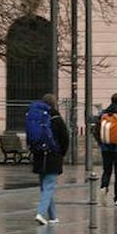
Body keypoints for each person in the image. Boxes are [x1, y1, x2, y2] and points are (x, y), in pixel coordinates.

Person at [29, 93, 69, 225]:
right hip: (53, 155)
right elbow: (65, 138)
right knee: (49, 186)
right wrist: (62, 153)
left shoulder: (36, 117)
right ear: (54, 104)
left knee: (45, 186)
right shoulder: (56, 118)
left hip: (39, 154)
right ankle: (40, 213)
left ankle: (53, 216)